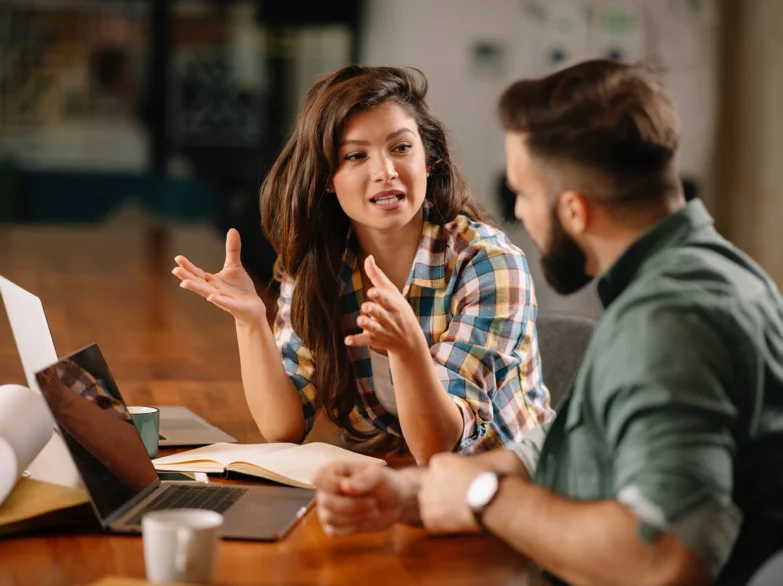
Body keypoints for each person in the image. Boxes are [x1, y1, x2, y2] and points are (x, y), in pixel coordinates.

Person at [311, 59, 783, 586]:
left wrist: (483, 497)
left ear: (575, 211)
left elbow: (663, 559)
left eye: (525, 194)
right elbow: (574, 443)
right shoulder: (709, 274)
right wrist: (416, 492)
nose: (519, 212)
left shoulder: (668, 325)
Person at [172, 65, 552, 463]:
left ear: (430, 159)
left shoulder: (488, 263)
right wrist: (251, 321)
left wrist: (408, 351)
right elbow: (282, 428)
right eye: (355, 155)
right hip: (398, 477)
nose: (385, 171)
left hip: (507, 487)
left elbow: (438, 446)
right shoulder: (321, 266)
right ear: (325, 179)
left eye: (401, 148)